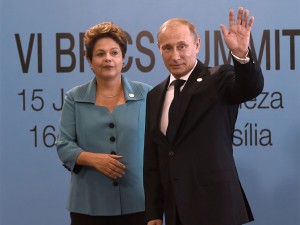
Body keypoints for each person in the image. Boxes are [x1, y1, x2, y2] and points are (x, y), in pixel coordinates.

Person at [143, 7, 264, 225]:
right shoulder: (155, 95)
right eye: (167, 48)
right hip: (176, 210)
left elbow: (250, 88)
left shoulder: (219, 78)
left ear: (197, 45)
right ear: (159, 50)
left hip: (216, 207)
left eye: (182, 46)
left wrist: (241, 55)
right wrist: (153, 211)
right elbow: (153, 157)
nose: (175, 55)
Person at [56, 22, 152, 225]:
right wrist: (93, 159)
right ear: (89, 60)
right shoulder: (75, 97)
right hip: (88, 206)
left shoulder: (147, 94)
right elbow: (63, 145)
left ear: (123, 58)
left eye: (114, 53)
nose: (108, 58)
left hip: (139, 203)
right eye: (100, 54)